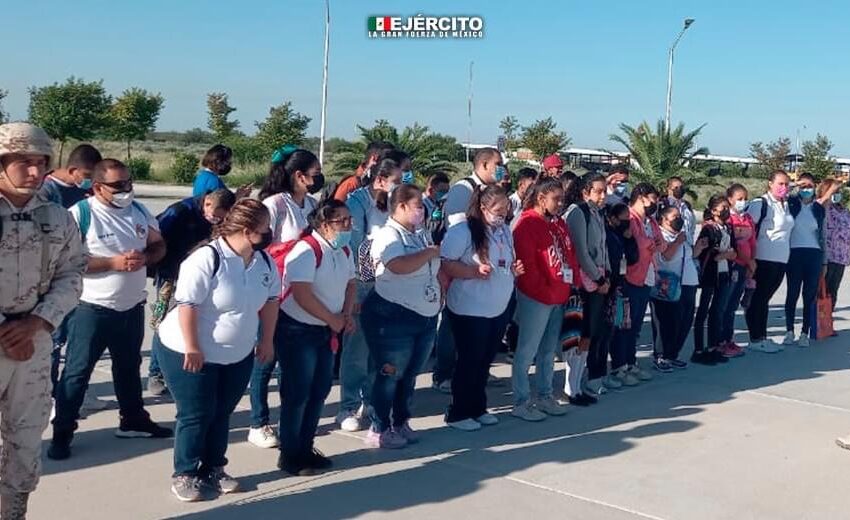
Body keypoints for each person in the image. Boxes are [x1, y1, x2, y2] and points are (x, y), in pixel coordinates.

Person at [156, 199, 280, 502]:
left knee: (221, 413)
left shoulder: (263, 262)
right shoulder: (206, 259)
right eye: (265, 229)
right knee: (196, 414)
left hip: (236, 353)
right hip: (187, 349)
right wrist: (193, 346)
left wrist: (267, 340)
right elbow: (187, 305)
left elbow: (272, 301)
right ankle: (185, 472)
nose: (270, 234)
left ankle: (214, 467)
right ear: (248, 230)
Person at [49, 159, 173, 461]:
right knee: (77, 374)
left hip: (130, 308)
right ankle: (62, 432)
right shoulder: (80, 214)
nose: (126, 190)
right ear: (97, 187)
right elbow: (63, 262)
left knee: (129, 368)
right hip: (91, 309)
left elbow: (159, 245)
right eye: (118, 186)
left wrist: (146, 257)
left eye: (128, 183)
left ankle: (133, 420)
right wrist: (111, 264)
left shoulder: (140, 211)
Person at [0, 122, 85, 519]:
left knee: (25, 443)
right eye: (23, 163)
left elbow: (72, 274)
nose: (35, 172)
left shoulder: (57, 217)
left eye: (41, 163)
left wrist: (36, 322)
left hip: (33, 345)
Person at [247, 149, 324, 448]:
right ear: (299, 175)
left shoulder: (311, 204)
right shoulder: (275, 204)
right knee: (265, 358)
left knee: (289, 362)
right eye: (315, 172)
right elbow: (261, 247)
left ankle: (287, 418)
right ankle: (258, 421)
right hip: (273, 291)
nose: (318, 178)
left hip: (301, 292)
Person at [276, 199, 357, 474]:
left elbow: (350, 284)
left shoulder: (344, 250)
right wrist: (332, 319)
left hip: (326, 329)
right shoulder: (307, 249)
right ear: (323, 225)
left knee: (319, 390)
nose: (348, 226)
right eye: (341, 221)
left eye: (349, 220)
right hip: (299, 329)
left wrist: (345, 315)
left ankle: (306, 447)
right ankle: (290, 453)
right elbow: (301, 293)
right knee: (298, 393)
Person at [361, 184, 441, 448]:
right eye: (418, 206)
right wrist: (428, 253)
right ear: (401, 207)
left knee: (410, 375)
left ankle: (401, 421)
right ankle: (379, 427)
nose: (422, 211)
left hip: (424, 314)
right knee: (389, 373)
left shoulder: (419, 234)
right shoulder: (388, 235)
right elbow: (397, 265)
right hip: (394, 315)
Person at [440, 186, 522, 431]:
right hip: (469, 308)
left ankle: (478, 407)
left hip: (497, 306)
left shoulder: (504, 231)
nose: (502, 215)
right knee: (469, 360)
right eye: (497, 211)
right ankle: (458, 412)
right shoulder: (463, 231)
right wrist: (472, 272)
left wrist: (513, 270)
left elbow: (505, 261)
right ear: (483, 208)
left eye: (505, 211)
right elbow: (446, 264)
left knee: (485, 359)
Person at [147, 189, 237, 397]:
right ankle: (156, 373)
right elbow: (157, 241)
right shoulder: (179, 212)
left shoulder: (219, 218)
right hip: (171, 275)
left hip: (201, 277)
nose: (215, 219)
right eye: (214, 213)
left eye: (221, 217)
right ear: (206, 203)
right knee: (163, 321)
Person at [336, 157, 402, 432]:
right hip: (364, 283)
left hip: (390, 283)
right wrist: (362, 289)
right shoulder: (357, 202)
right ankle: (348, 406)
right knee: (357, 348)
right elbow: (355, 246)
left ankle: (372, 401)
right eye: (397, 180)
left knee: (381, 349)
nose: (402, 184)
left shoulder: (392, 204)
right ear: (379, 180)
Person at [511, 177, 578, 421]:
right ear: (541, 198)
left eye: (562, 198)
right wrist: (544, 291)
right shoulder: (527, 224)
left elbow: (570, 255)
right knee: (527, 351)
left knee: (548, 351)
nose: (560, 203)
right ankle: (521, 401)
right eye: (556, 199)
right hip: (537, 297)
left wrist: (571, 285)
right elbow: (527, 266)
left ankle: (545, 395)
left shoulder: (558, 223)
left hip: (559, 295)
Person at [610, 183, 663, 386]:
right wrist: (650, 244)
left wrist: (651, 244)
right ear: (641, 197)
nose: (654, 204)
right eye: (652, 199)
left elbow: (660, 244)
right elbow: (639, 245)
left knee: (636, 325)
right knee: (625, 324)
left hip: (647, 276)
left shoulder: (649, 221)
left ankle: (630, 363)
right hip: (631, 277)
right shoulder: (630, 218)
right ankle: (619, 366)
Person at [564, 174, 610, 404]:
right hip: (584, 282)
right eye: (598, 191)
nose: (603, 196)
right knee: (579, 334)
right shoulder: (578, 213)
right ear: (585, 192)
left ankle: (579, 384)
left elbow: (602, 247)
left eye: (605, 191)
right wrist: (598, 279)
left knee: (590, 334)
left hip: (599, 279)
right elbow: (581, 251)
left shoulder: (597, 213)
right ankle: (571, 388)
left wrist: (607, 274)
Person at [783, 173, 837, 347]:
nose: (806, 189)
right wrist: (797, 183)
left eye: (809, 186)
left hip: (813, 254)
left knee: (809, 295)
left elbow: (823, 234)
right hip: (794, 254)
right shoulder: (791, 204)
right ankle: (789, 331)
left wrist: (824, 261)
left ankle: (804, 332)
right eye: (803, 187)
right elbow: (783, 192)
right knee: (792, 293)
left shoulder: (818, 207)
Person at [745, 170, 795, 353]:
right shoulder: (761, 204)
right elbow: (747, 230)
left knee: (765, 298)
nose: (784, 187)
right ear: (770, 184)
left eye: (786, 184)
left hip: (781, 259)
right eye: (780, 184)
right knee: (757, 298)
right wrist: (749, 258)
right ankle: (755, 338)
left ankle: (763, 336)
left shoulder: (786, 204)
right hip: (762, 258)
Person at [592, 203, 639, 394]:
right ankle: (597, 374)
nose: (625, 223)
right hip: (606, 287)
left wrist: (629, 240)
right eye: (622, 219)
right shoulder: (606, 235)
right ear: (611, 218)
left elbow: (633, 258)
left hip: (619, 286)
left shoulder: (622, 236)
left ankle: (606, 372)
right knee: (601, 334)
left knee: (614, 329)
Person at [649, 205, 701, 372]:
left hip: (688, 284)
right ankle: (661, 355)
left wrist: (698, 248)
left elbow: (688, 255)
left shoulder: (681, 236)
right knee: (666, 322)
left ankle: (673, 354)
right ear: (664, 220)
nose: (678, 220)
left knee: (684, 321)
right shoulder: (661, 236)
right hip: (669, 286)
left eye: (679, 216)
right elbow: (666, 257)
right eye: (674, 217)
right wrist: (677, 242)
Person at [692, 195, 737, 365]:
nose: (725, 210)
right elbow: (706, 252)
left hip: (724, 273)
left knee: (718, 311)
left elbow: (733, 250)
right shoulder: (708, 229)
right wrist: (722, 255)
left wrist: (727, 255)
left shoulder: (727, 227)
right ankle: (698, 349)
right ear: (713, 211)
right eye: (722, 207)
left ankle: (714, 346)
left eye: (727, 207)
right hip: (710, 274)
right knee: (703, 310)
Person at [722, 184, 756, 353]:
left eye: (745, 199)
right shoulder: (729, 219)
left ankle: (729, 339)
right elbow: (733, 245)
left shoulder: (747, 218)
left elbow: (752, 242)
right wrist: (747, 261)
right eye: (739, 199)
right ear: (730, 200)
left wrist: (752, 262)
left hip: (745, 267)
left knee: (734, 305)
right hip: (733, 266)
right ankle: (722, 340)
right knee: (726, 304)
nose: (743, 202)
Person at [444, 147, 505, 226]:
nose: (501, 169)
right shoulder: (463, 189)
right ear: (485, 165)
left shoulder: (491, 190)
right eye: (498, 164)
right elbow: (455, 225)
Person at [823, 180, 850, 312]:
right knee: (824, 289)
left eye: (839, 192)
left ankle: (828, 320)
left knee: (833, 289)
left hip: (841, 256)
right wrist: (830, 191)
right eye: (835, 192)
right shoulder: (825, 208)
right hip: (827, 256)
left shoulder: (844, 211)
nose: (837, 194)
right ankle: (817, 321)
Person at [665, 176, 696, 245]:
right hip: (671, 246)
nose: (679, 190)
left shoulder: (687, 206)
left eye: (681, 187)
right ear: (669, 189)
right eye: (676, 188)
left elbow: (692, 227)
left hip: (688, 247)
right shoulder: (664, 205)